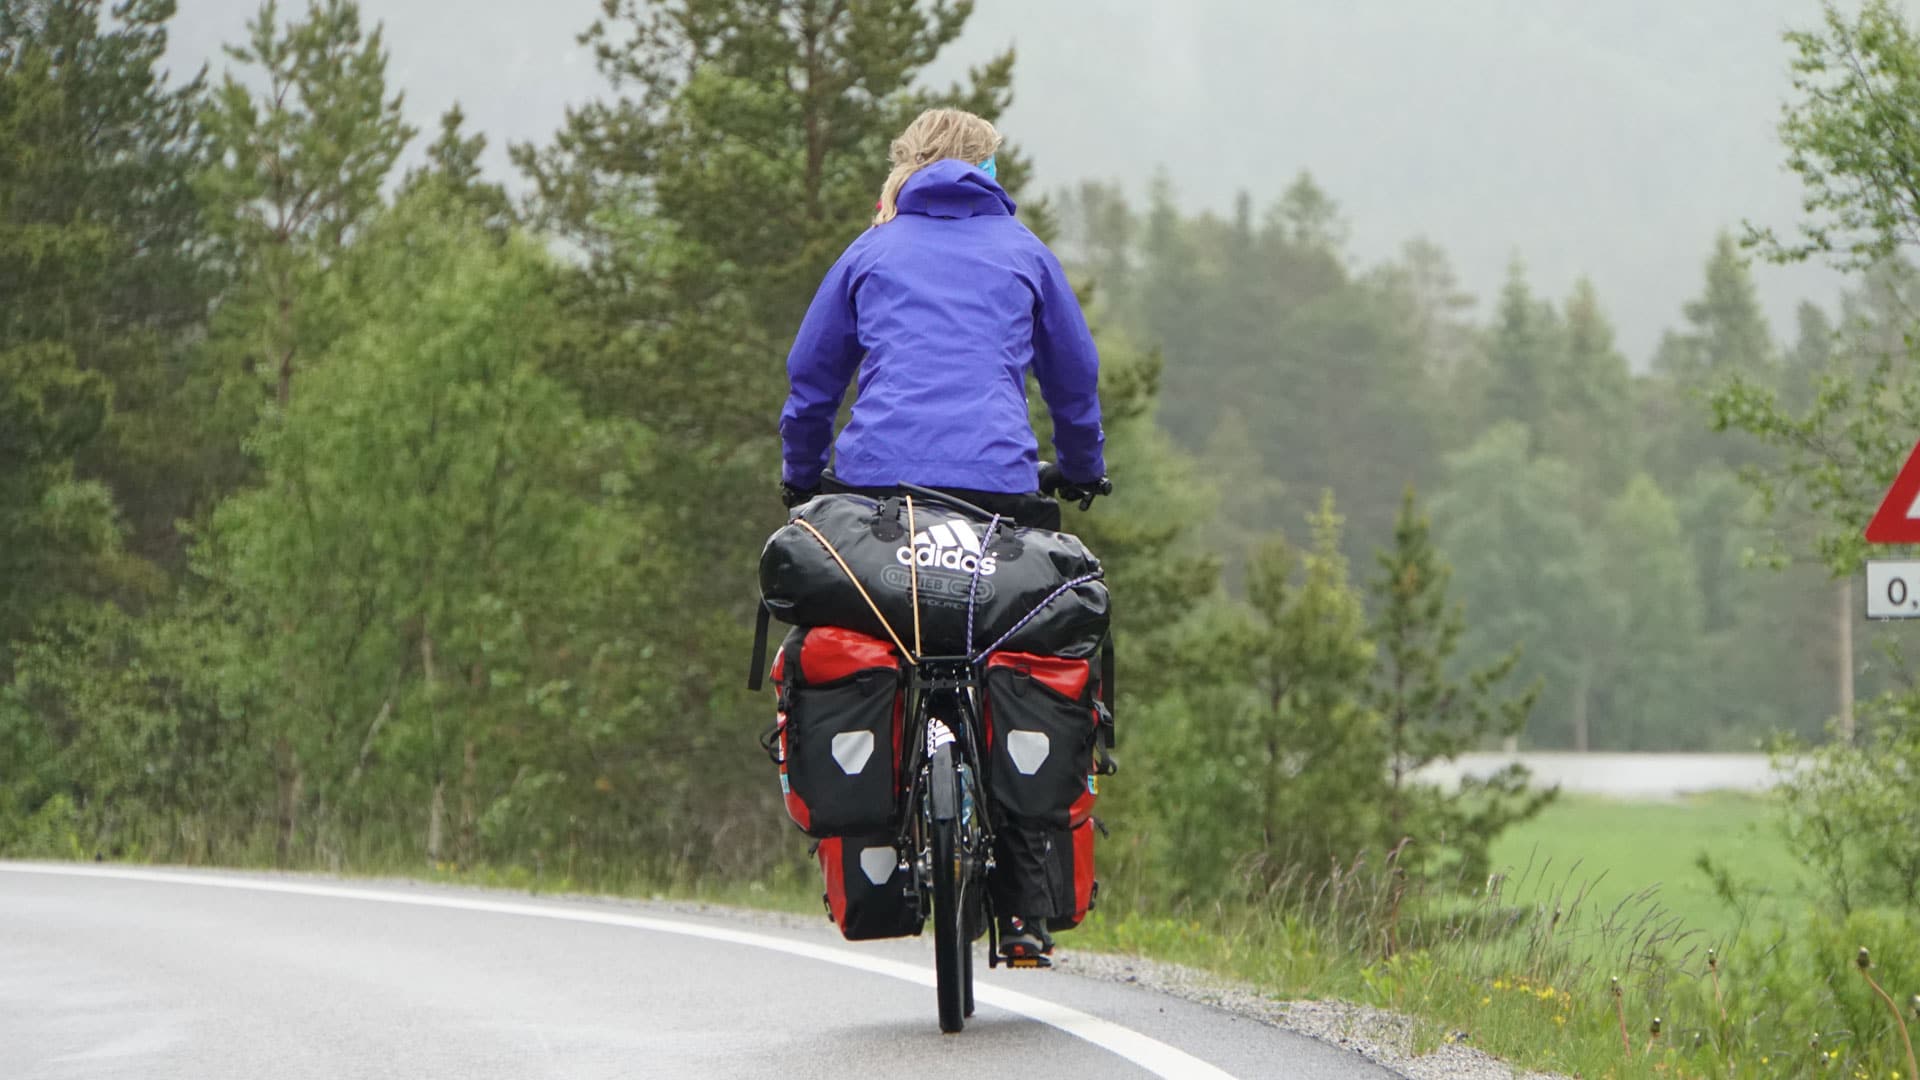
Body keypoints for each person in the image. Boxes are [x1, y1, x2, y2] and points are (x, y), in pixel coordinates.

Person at [776, 107, 1110, 961]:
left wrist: (799, 471)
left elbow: (813, 379)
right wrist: (1082, 466)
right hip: (996, 491)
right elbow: (1073, 379)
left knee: (884, 641)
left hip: (879, 496)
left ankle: (881, 842)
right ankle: (1028, 903)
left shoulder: (870, 251)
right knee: (1012, 652)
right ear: (986, 174)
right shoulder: (1025, 252)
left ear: (909, 170)